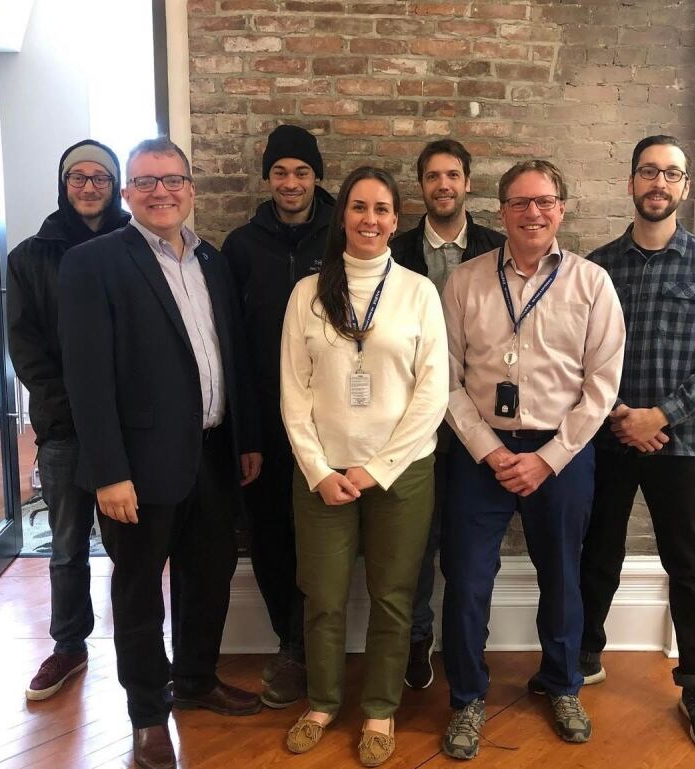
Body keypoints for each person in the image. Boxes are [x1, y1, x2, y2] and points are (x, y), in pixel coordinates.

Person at [58, 137, 262, 769]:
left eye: (172, 180)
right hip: (138, 469)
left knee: (210, 577)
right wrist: (110, 472)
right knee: (141, 593)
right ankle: (148, 714)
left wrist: (245, 437)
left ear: (191, 189)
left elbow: (235, 355)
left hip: (213, 453)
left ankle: (196, 681)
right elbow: (86, 381)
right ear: (128, 194)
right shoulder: (94, 263)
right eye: (146, 182)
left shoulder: (214, 261)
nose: (161, 192)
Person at [440, 160, 625, 759]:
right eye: (520, 203)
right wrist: (492, 452)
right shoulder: (464, 282)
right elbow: (444, 382)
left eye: (544, 201)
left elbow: (602, 385)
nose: (533, 213)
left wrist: (548, 458)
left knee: (563, 575)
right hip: (480, 452)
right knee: (466, 580)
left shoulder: (592, 283)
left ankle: (561, 682)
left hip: (562, 452)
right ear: (501, 210)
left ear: (562, 209)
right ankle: (468, 698)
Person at [280, 166, 448, 767]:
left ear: (394, 220)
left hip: (401, 475)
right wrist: (320, 469)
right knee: (322, 597)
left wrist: (377, 469)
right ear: (341, 216)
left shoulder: (418, 292)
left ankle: (380, 708)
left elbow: (433, 393)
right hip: (321, 473)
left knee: (393, 598)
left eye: (381, 210)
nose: (369, 220)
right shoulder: (307, 294)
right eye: (358, 208)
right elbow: (293, 394)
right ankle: (322, 703)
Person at [579, 135, 695, 753]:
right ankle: (585, 654)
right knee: (598, 553)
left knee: (689, 565)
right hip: (610, 439)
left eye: (671, 174)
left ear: (685, 188)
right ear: (631, 182)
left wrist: (660, 416)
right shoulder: (597, 266)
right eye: (648, 171)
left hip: (683, 444)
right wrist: (621, 416)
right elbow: (580, 356)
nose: (659, 183)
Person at [7, 139, 130, 701]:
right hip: (64, 428)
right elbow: (26, 345)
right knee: (66, 546)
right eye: (77, 177)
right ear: (64, 184)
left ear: (114, 185)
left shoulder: (138, 246)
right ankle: (68, 646)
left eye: (100, 178)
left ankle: (142, 646)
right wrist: (70, 407)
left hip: (132, 426)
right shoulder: (31, 256)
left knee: (137, 547)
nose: (88, 186)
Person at [221, 124, 334, 708]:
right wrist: (246, 432)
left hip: (335, 421)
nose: (291, 183)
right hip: (266, 422)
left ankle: (324, 645)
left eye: (302, 172)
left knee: (327, 538)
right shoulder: (242, 246)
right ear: (268, 179)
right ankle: (291, 646)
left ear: (317, 177)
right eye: (281, 172)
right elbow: (231, 345)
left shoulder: (345, 233)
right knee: (270, 537)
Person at [391, 138, 505, 690]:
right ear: (421, 186)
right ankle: (417, 637)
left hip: (477, 421)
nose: (443, 185)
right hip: (408, 417)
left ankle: (466, 646)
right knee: (414, 539)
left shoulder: (500, 248)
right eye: (433, 175)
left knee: (465, 541)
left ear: (468, 182)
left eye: (453, 175)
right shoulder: (393, 249)